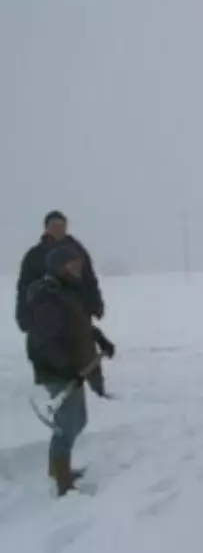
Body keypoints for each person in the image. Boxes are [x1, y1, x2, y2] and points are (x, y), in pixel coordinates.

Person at [25, 244, 116, 496]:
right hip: (58, 371)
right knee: (66, 423)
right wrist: (64, 368)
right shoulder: (49, 295)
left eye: (78, 263)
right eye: (71, 264)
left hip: (75, 367)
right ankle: (61, 477)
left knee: (77, 420)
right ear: (58, 266)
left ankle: (60, 468)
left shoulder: (68, 292)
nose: (77, 268)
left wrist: (100, 339)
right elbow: (42, 341)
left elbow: (79, 326)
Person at [16, 210, 104, 332]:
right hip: (46, 315)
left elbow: (89, 279)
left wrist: (96, 303)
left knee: (81, 345)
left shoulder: (78, 250)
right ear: (46, 228)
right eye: (55, 226)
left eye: (62, 226)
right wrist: (23, 315)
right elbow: (24, 287)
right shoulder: (34, 255)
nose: (59, 229)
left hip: (77, 311)